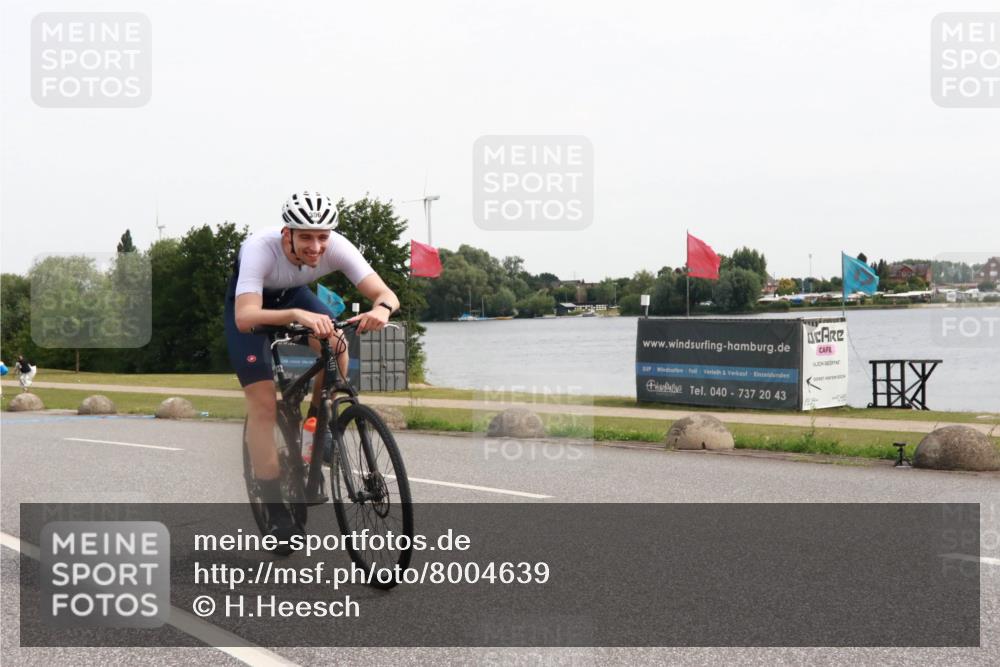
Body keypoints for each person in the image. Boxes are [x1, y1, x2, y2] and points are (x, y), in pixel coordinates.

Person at [225, 191, 398, 554]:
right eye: (306, 236)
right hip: (253, 307)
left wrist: (381, 309)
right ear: (287, 233)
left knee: (337, 344)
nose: (316, 246)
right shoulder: (261, 247)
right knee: (263, 406)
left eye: (322, 236)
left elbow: (385, 293)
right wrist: (296, 316)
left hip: (293, 296)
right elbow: (245, 317)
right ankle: (275, 511)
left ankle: (318, 426)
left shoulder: (337, 246)